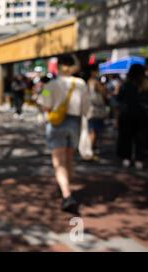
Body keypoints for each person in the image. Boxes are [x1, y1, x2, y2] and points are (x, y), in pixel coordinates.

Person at [37, 56, 90, 214]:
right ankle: (65, 187)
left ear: (58, 66)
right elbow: (86, 107)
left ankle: (67, 195)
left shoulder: (50, 84)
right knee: (68, 159)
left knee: (58, 161)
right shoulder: (80, 83)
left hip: (56, 123)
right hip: (75, 122)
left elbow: (44, 104)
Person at [117, 64, 148, 170]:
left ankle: (127, 158)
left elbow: (119, 101)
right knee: (140, 138)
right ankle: (139, 159)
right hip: (142, 117)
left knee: (126, 137)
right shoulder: (147, 86)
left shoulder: (125, 85)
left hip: (127, 115)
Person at [87, 64, 108, 159]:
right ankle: (90, 150)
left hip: (88, 109)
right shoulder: (95, 82)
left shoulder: (85, 82)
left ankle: (90, 149)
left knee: (91, 129)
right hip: (95, 110)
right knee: (94, 130)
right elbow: (104, 93)